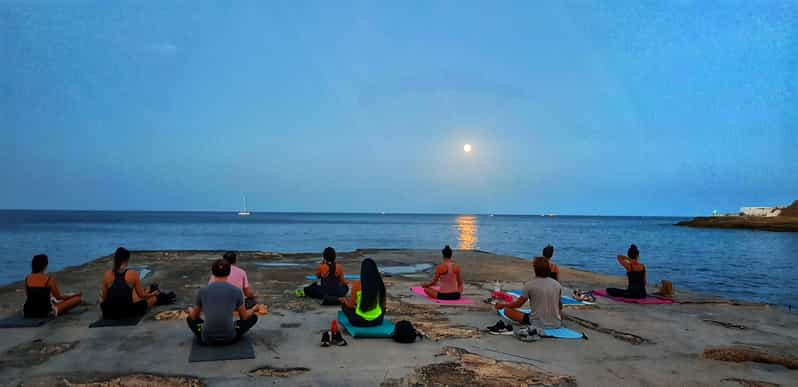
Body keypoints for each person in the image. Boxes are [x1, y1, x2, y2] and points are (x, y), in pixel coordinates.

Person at [188, 259, 258, 345]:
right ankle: (230, 328)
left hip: (207, 338)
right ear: (229, 272)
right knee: (253, 317)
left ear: (212, 273)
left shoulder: (202, 291)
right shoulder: (236, 291)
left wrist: (190, 310)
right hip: (230, 337)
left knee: (190, 318)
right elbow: (244, 317)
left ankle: (209, 330)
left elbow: (194, 317)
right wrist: (254, 309)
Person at [488, 257, 563, 335]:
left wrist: (503, 305)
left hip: (537, 323)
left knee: (507, 310)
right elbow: (560, 306)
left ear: (535, 269)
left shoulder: (530, 285)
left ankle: (530, 322)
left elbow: (518, 304)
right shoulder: (557, 284)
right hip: (556, 323)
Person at [100, 247, 159, 319]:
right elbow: (142, 295)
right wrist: (153, 294)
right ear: (126, 260)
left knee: (102, 300)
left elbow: (104, 298)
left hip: (111, 312)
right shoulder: (133, 274)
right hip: (129, 312)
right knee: (153, 299)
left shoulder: (107, 274)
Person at [339, 258, 385, 327]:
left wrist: (345, 301)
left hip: (360, 321)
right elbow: (383, 305)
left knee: (344, 307)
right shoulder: (380, 284)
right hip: (377, 320)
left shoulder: (357, 285)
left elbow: (351, 305)